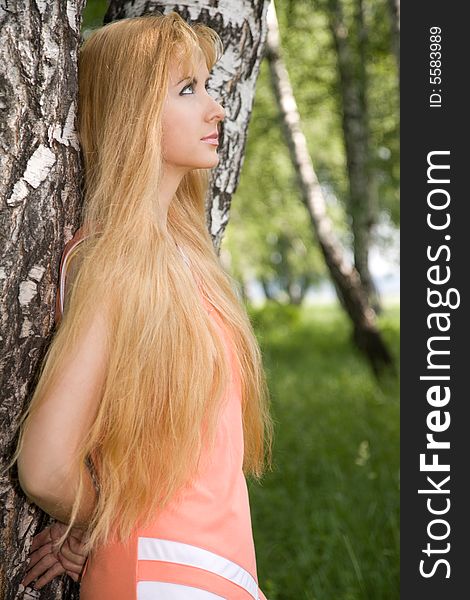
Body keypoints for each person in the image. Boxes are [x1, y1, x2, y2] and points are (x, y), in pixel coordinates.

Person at [9, 11, 273, 599]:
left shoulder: (184, 260)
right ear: (132, 113)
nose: (216, 110)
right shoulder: (112, 264)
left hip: (215, 574)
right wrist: (104, 519)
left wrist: (104, 519)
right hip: (160, 575)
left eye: (209, 87)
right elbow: (48, 463)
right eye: (187, 90)